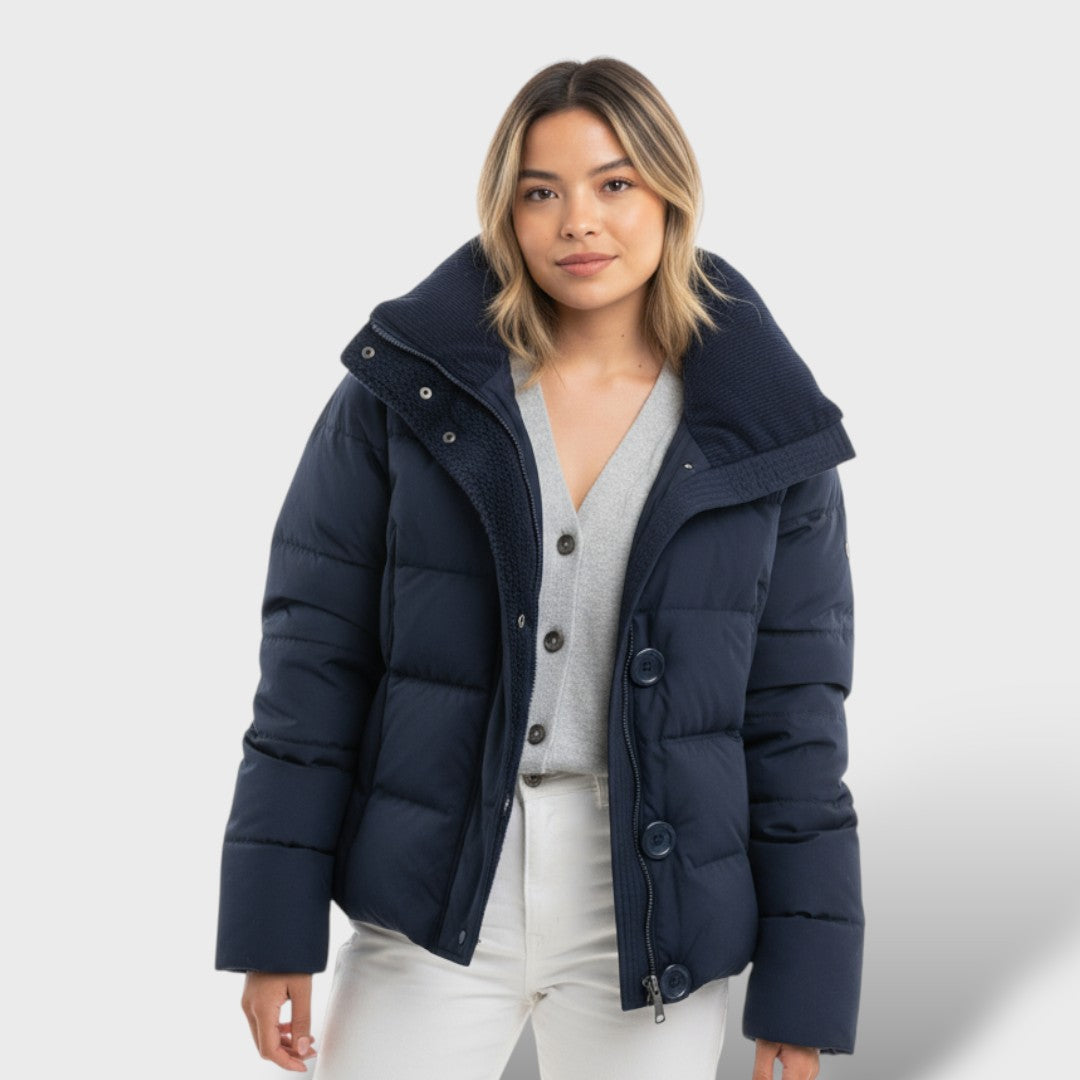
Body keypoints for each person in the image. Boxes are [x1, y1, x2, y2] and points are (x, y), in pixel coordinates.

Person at [215, 57, 864, 1080]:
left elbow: (796, 723)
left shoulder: (767, 434)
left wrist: (804, 994)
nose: (578, 223)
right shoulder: (406, 396)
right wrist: (273, 930)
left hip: (652, 908)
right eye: (541, 192)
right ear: (505, 211)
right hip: (435, 882)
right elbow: (312, 664)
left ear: (670, 193)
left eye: (614, 184)